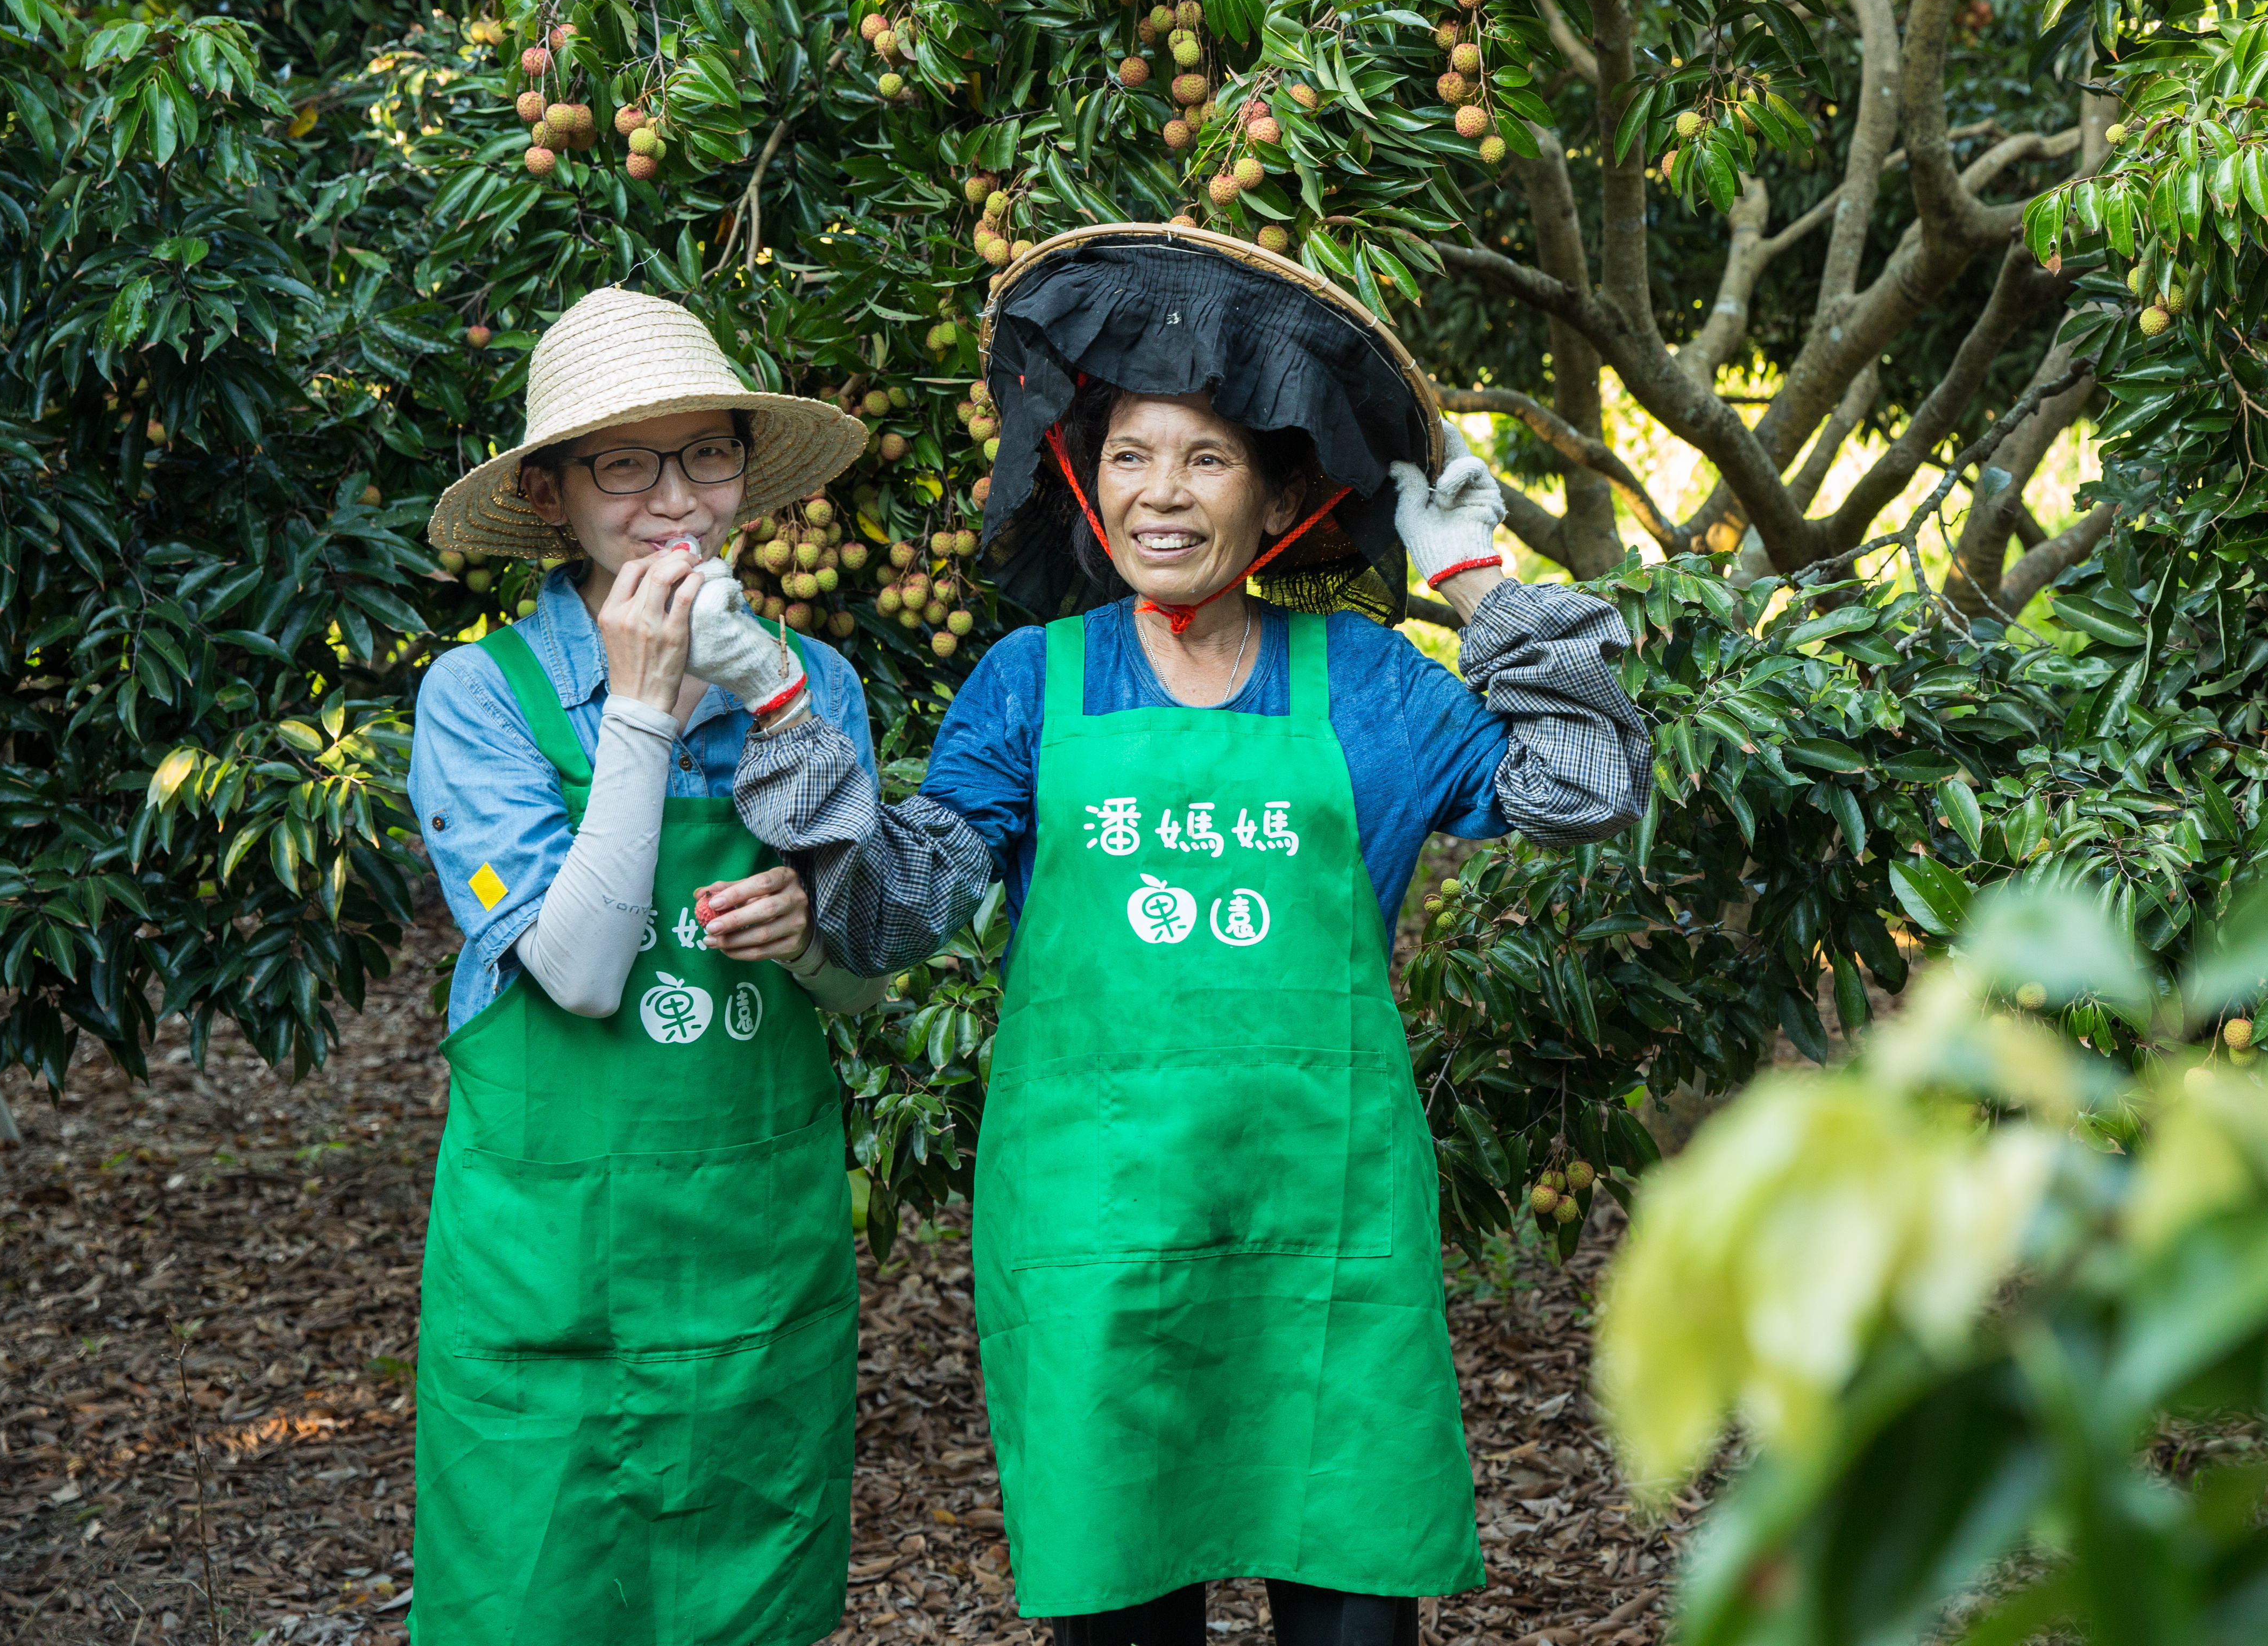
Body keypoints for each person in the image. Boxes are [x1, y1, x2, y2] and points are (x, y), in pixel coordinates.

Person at [731, 225, 1652, 1646]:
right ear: (1086, 483)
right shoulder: (1030, 685)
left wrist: (1476, 581)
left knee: (1351, 1616)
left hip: (1322, 1247)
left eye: (1206, 458)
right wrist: (788, 723)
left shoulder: (1358, 681)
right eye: (1131, 457)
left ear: (1278, 493)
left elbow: (1586, 793)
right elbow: (891, 912)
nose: (1162, 494)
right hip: (1101, 1248)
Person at [405, 287, 884, 1646]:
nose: (675, 500)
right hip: (546, 1288)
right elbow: (580, 974)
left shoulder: (811, 688)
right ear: (551, 496)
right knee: (534, 1602)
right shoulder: (482, 698)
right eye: (625, 463)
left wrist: (812, 945)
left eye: (708, 456)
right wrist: (641, 711)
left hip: (753, 1275)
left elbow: (868, 987)